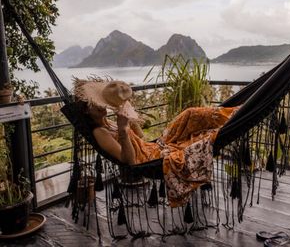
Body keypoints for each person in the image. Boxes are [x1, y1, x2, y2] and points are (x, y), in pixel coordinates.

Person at [74, 78, 238, 207]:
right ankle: (236, 117)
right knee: (199, 135)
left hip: (155, 145)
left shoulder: (108, 122)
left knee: (190, 114)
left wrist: (129, 117)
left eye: (100, 102)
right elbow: (128, 161)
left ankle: (235, 113)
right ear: (86, 110)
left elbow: (141, 138)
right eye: (94, 103)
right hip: (150, 157)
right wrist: (123, 130)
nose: (99, 105)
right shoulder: (100, 132)